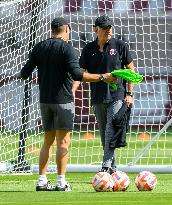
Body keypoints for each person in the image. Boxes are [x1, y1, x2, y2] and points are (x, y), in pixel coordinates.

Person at [20, 17, 116, 191]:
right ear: (67, 29)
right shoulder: (68, 49)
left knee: (47, 141)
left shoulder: (39, 47)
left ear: (52, 30)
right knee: (63, 142)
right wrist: (103, 77)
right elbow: (78, 75)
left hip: (45, 101)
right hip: (63, 101)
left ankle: (41, 181)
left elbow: (24, 73)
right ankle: (61, 182)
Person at [79, 15, 135, 174]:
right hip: (97, 98)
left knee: (111, 129)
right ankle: (113, 170)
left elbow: (131, 71)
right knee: (105, 135)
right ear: (96, 29)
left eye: (110, 27)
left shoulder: (120, 45)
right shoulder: (88, 49)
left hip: (117, 96)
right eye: (105, 27)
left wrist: (130, 93)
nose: (108, 30)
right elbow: (81, 74)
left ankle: (105, 167)